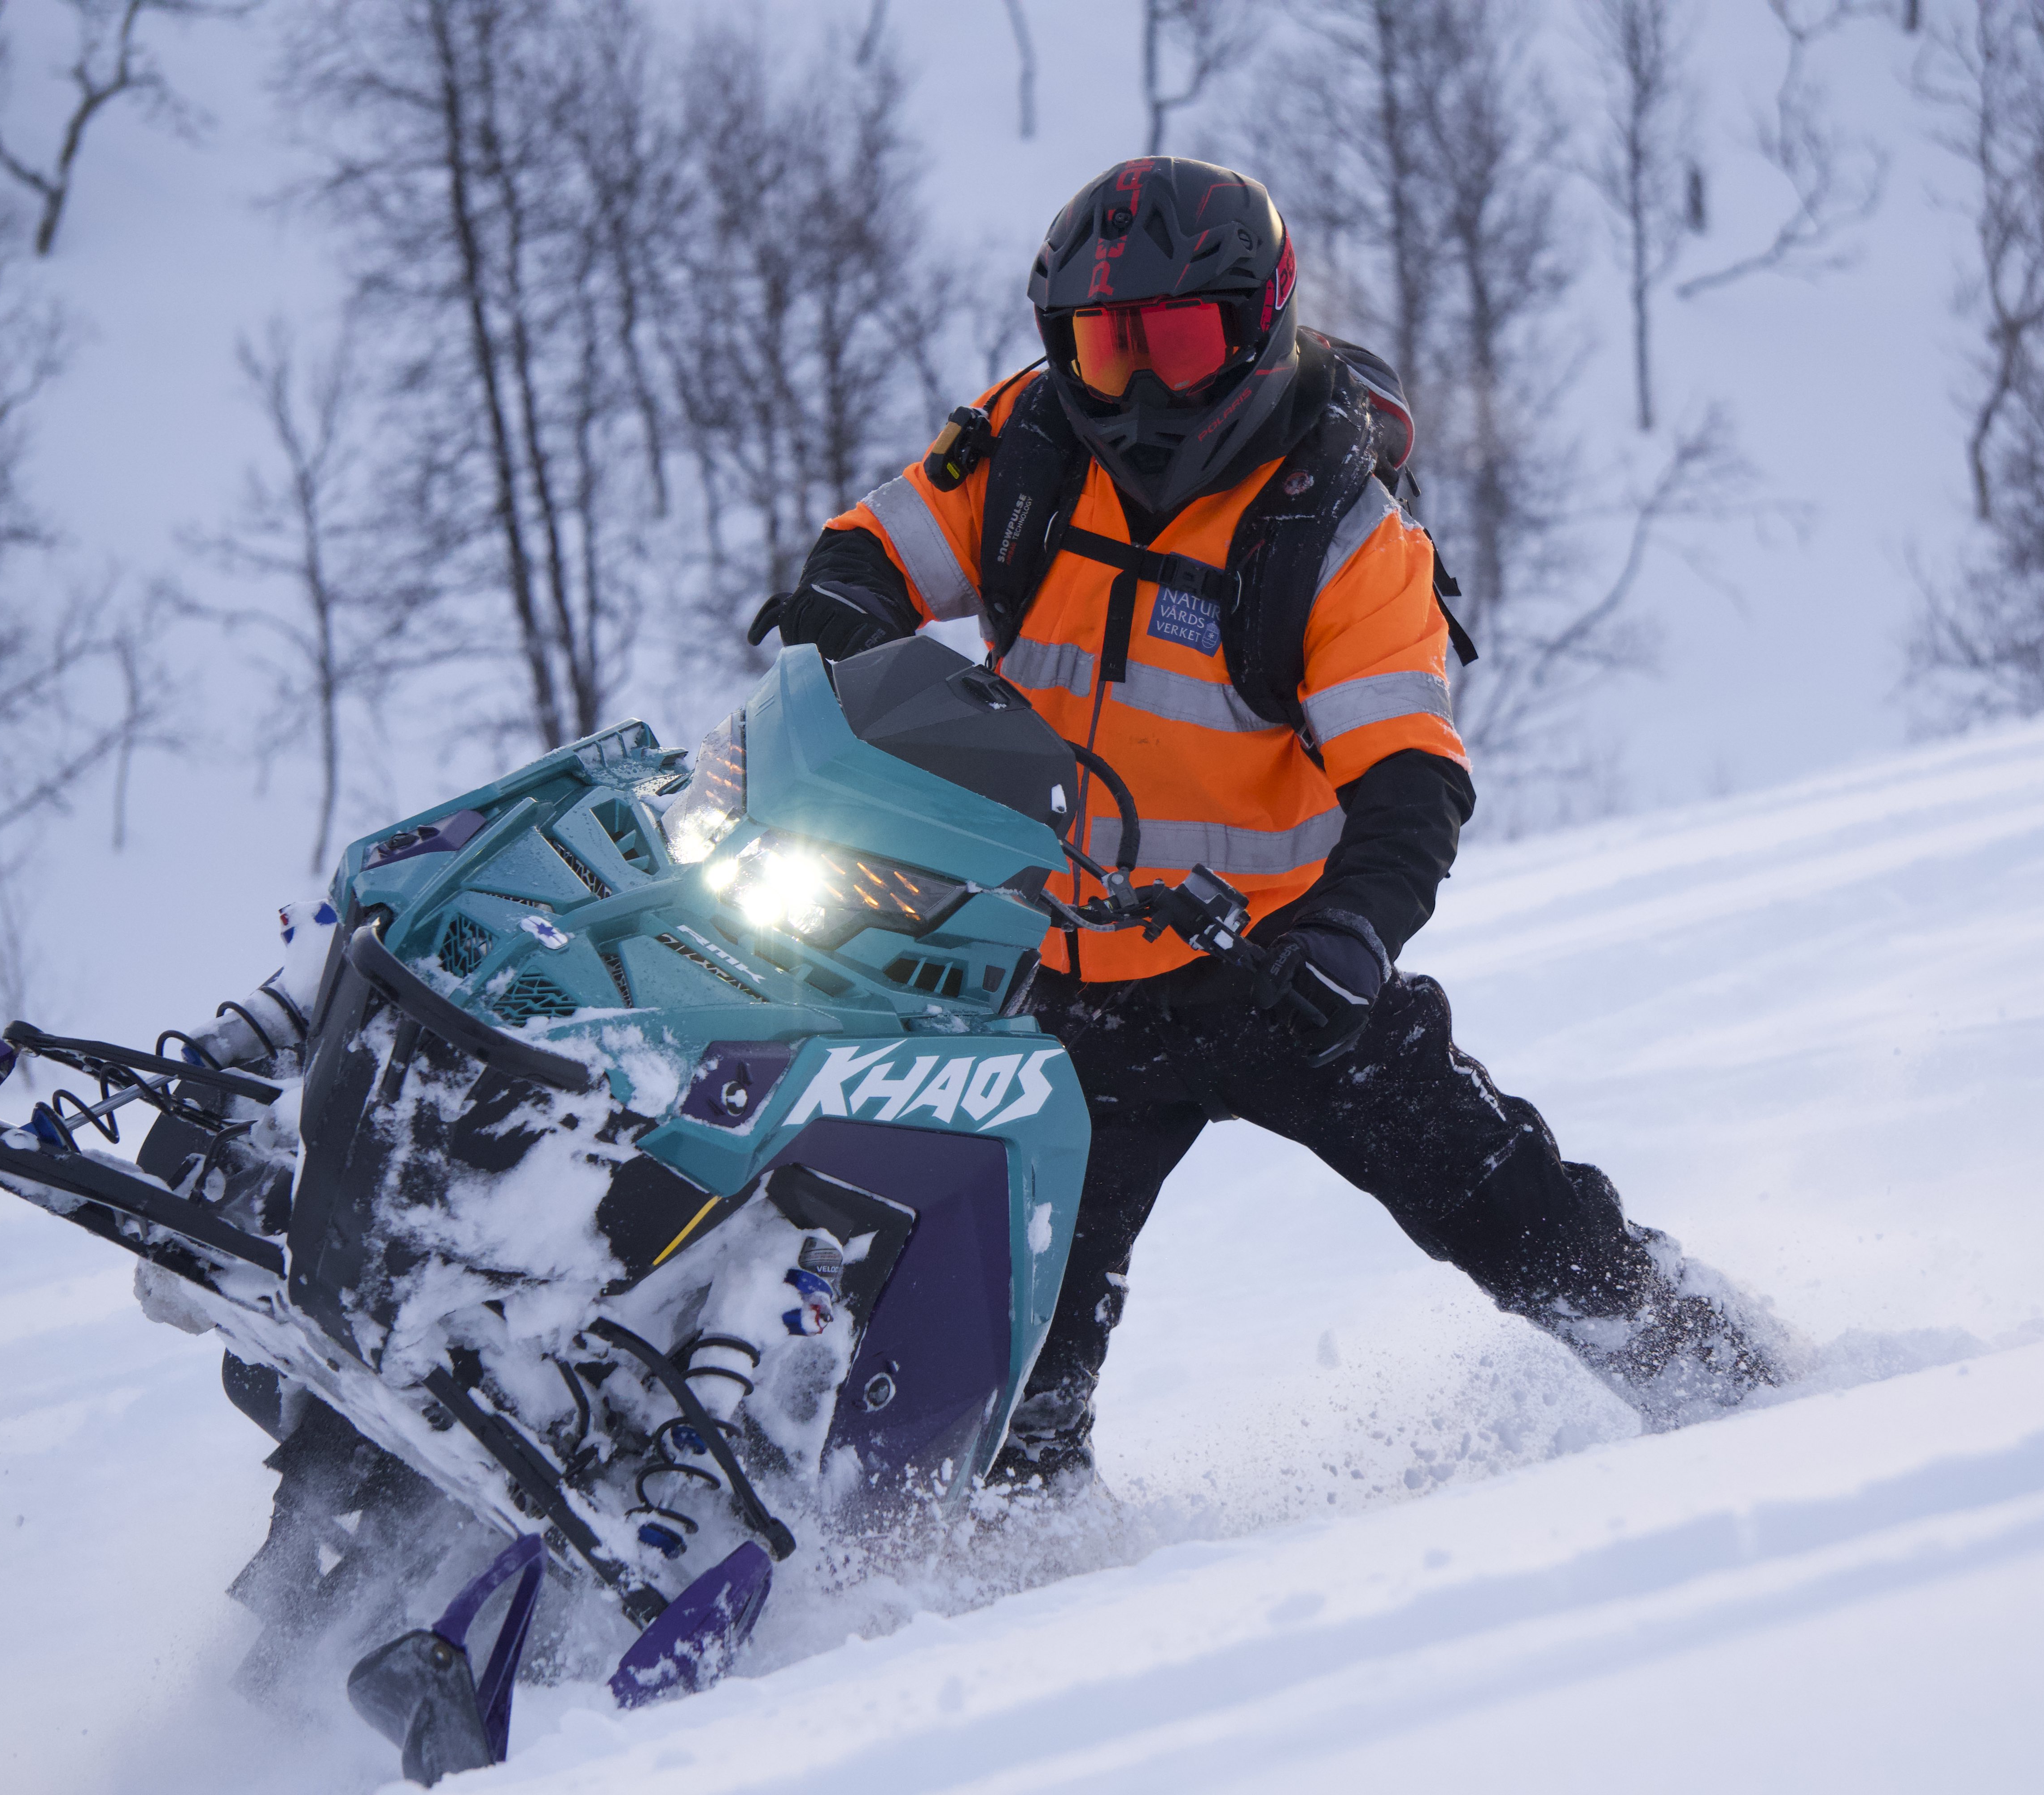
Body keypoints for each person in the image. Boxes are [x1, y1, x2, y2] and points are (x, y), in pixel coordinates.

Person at [750, 158, 1787, 1493]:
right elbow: (884, 539)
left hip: (1274, 970)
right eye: (1103, 345)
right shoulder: (1024, 446)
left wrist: (1352, 934)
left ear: (1259, 324)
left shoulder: (1337, 529)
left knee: (1504, 1203)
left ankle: (1737, 1386)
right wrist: (844, 595)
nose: (1136, 387)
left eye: (1175, 342)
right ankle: (1024, 1557)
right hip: (1053, 977)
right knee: (1010, 1341)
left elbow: (1412, 781)